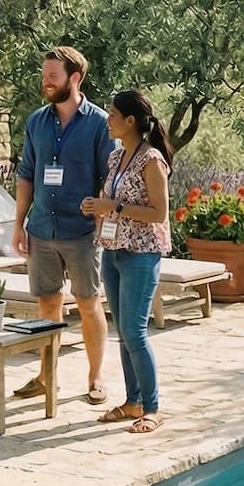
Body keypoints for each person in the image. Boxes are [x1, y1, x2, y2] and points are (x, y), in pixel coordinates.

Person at [13, 46, 113, 403]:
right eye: (44, 76)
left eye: (53, 77)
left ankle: (96, 378)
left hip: (82, 231)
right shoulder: (36, 122)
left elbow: (109, 179)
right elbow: (26, 175)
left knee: (88, 302)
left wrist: (101, 222)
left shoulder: (100, 123)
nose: (46, 82)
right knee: (47, 304)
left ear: (75, 78)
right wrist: (19, 224)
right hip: (42, 229)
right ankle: (46, 376)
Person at [80, 89, 172, 434]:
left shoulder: (152, 160)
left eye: (113, 114)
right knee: (124, 332)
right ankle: (133, 401)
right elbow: (112, 200)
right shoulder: (116, 158)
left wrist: (114, 208)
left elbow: (159, 213)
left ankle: (152, 408)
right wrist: (96, 206)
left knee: (135, 332)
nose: (108, 119)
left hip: (141, 254)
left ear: (130, 121)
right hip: (113, 251)